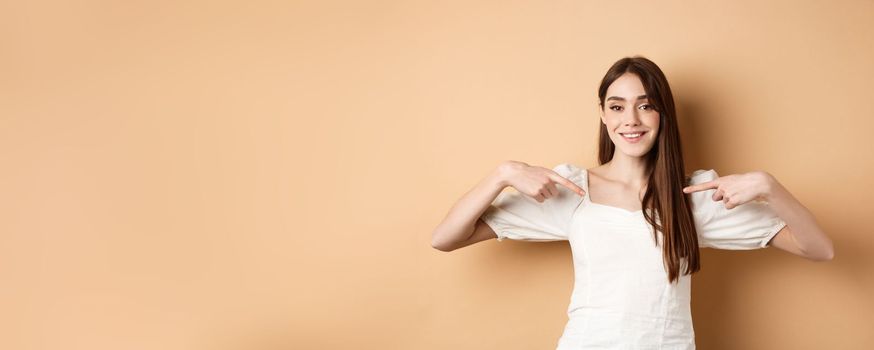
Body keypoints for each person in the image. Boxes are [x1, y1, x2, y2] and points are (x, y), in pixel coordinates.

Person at [430, 56, 834, 349]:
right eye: (617, 107)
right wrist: (502, 173)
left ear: (662, 115)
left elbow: (819, 249)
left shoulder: (694, 199)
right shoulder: (573, 191)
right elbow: (446, 238)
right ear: (604, 116)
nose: (632, 119)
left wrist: (769, 186)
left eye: (646, 105)